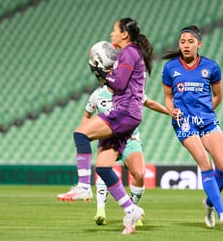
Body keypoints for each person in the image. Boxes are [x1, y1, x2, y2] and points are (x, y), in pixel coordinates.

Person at [57, 17, 154, 235]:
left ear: (125, 34)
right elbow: (119, 82)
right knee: (102, 167)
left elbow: (118, 84)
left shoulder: (129, 52)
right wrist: (104, 75)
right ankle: (131, 210)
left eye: (114, 30)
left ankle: (83, 186)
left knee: (80, 134)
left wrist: (101, 73)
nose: (111, 34)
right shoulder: (127, 54)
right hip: (126, 113)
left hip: (124, 112)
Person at [161, 25, 223, 230]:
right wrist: (171, 110)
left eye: (190, 42)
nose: (186, 45)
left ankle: (209, 204)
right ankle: (222, 213)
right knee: (205, 163)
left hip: (207, 121)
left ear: (199, 44)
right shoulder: (170, 68)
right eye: (183, 41)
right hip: (184, 123)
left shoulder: (211, 67)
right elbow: (168, 97)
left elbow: (218, 95)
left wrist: (205, 111)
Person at [82, 79, 169, 227]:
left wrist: (170, 112)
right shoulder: (97, 95)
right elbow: (86, 116)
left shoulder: (133, 91)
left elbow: (150, 103)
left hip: (131, 140)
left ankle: (132, 211)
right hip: (109, 141)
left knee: (139, 174)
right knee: (104, 170)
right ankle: (100, 211)